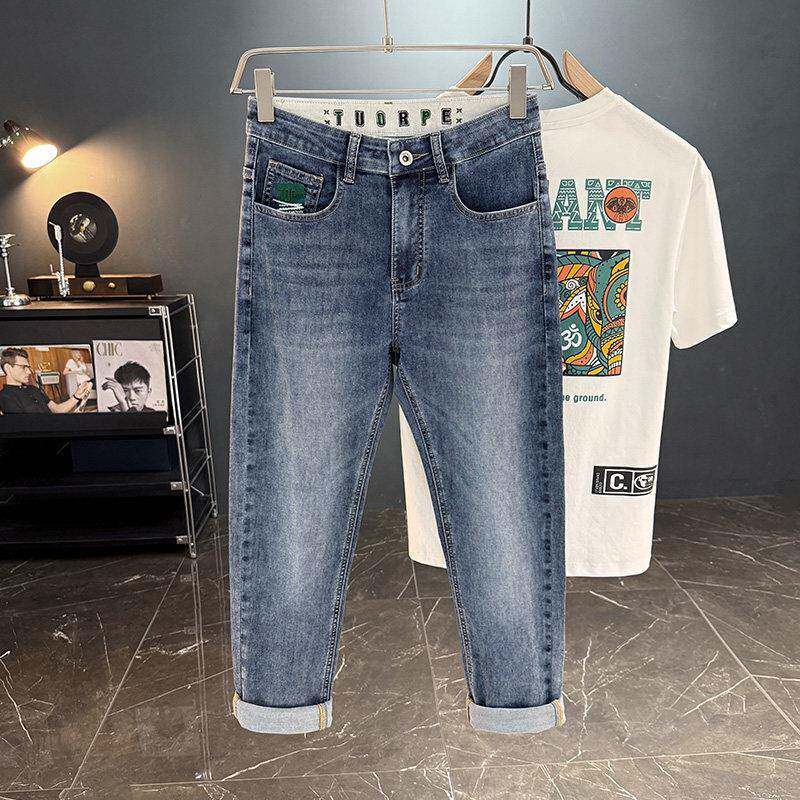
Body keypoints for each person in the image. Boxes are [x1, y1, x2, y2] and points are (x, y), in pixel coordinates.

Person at [0, 347, 91, 413]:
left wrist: (76, 396)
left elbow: (57, 409)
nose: (29, 372)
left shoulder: (34, 389)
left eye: (28, 367)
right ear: (8, 368)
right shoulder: (5, 397)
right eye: (23, 367)